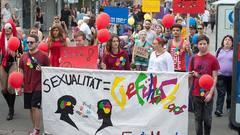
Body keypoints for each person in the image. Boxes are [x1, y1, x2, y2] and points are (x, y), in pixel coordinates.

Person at [188, 35, 220, 135]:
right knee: (198, 119)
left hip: (208, 93)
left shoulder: (213, 59)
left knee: (207, 119)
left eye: (204, 44)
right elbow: (190, 75)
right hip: (196, 93)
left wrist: (210, 93)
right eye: (200, 44)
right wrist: (192, 76)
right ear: (197, 45)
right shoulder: (193, 58)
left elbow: (215, 77)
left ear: (208, 44)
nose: (202, 46)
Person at [19, 34, 50, 135]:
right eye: (27, 42)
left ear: (37, 43)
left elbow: (50, 70)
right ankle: (35, 128)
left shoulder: (43, 55)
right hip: (27, 85)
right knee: (30, 108)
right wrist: (19, 86)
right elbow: (21, 71)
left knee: (34, 106)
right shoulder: (23, 56)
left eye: (31, 42)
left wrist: (43, 69)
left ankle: (36, 129)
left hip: (38, 85)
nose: (29, 44)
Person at [0, 21, 22, 121]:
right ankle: (10, 106)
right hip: (3, 64)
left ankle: (11, 110)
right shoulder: (1, 39)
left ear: (12, 29)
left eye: (9, 28)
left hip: (12, 64)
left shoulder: (16, 39)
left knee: (10, 88)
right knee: (3, 89)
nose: (7, 30)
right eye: (6, 28)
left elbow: (21, 54)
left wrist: (16, 54)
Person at [214, 35, 233, 117]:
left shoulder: (235, 51)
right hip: (220, 75)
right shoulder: (219, 50)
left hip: (232, 76)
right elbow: (214, 62)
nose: (227, 41)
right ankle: (219, 110)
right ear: (223, 41)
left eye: (229, 40)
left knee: (230, 94)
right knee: (221, 93)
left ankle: (229, 106)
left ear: (232, 43)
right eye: (226, 39)